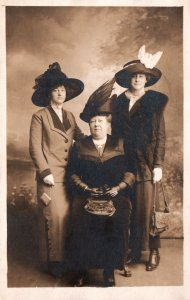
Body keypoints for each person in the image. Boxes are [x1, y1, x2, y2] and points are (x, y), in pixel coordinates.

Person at [67, 83, 135, 287]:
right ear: (89, 125)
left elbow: (131, 172)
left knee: (119, 218)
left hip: (115, 195)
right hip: (86, 194)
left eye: (101, 121)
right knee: (80, 220)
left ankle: (109, 271)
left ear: (108, 125)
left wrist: (119, 188)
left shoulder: (121, 143)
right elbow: (72, 174)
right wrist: (86, 188)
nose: (97, 124)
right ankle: (82, 270)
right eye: (93, 121)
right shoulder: (80, 146)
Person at [112, 45, 168, 271]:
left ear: (147, 79)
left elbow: (160, 135)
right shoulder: (118, 102)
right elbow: (114, 132)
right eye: (134, 75)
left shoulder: (154, 101)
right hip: (124, 161)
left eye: (141, 76)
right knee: (128, 207)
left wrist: (158, 164)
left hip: (146, 162)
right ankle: (132, 250)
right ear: (128, 79)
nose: (138, 79)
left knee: (149, 208)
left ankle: (153, 250)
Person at [29, 62, 85, 278]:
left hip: (69, 176)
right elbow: (35, 148)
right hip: (50, 177)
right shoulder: (39, 117)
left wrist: (102, 136)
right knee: (54, 218)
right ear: (49, 93)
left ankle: (67, 259)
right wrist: (45, 172)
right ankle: (54, 262)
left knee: (69, 217)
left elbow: (80, 139)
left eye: (63, 89)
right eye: (56, 89)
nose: (60, 92)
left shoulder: (70, 116)